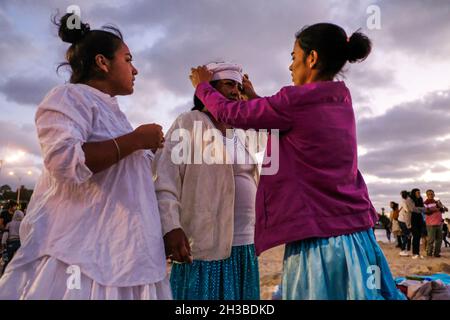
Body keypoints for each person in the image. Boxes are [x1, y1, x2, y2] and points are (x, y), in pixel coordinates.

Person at [189, 23, 405, 300]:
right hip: (356, 232)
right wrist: (256, 99)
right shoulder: (340, 97)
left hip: (320, 240)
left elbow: (233, 113)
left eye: (293, 57)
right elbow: (292, 122)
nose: (290, 67)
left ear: (311, 58)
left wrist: (203, 87)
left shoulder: (293, 102)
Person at [0, 13, 171, 300]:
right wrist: (136, 140)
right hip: (83, 258)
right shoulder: (69, 97)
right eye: (128, 59)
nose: (136, 69)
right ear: (102, 63)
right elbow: (65, 161)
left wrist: (144, 151)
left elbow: (120, 176)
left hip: (128, 255)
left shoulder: (115, 113)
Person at [154, 62, 261, 300]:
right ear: (207, 91)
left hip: (246, 246)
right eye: (228, 84)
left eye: (238, 86)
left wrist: (253, 101)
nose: (236, 91)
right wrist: (171, 225)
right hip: (203, 248)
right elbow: (165, 179)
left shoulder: (242, 132)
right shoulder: (189, 123)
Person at [1, 210, 24, 276]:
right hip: (20, 244)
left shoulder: (9, 224)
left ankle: (4, 274)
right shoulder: (22, 224)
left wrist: (3, 243)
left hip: (10, 244)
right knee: (18, 261)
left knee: (7, 260)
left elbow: (5, 234)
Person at [424, 190, 445, 257]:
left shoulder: (437, 202)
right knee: (431, 240)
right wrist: (436, 209)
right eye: (429, 194)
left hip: (439, 223)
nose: (431, 195)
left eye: (432, 194)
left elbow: (443, 211)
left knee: (439, 239)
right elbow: (426, 212)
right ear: (427, 195)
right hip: (431, 224)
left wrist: (441, 207)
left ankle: (437, 253)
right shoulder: (425, 203)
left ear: (434, 194)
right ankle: (429, 253)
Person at [409, 188, 426, 259]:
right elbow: (412, 209)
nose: (419, 194)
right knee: (415, 236)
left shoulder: (420, 199)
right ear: (414, 193)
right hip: (413, 219)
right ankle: (414, 253)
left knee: (419, 236)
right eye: (417, 192)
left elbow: (424, 209)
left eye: (419, 192)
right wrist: (421, 209)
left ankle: (417, 253)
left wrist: (419, 209)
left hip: (420, 219)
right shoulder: (411, 199)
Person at [398, 191, 412, 256]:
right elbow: (407, 210)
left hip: (402, 220)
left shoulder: (402, 201)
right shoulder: (404, 201)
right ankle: (403, 250)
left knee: (407, 235)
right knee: (407, 235)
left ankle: (406, 249)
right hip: (403, 220)